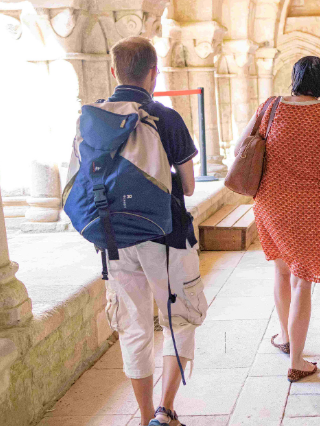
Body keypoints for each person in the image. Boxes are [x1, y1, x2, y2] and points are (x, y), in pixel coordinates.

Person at [102, 37, 205, 426]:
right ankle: (165, 410)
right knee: (178, 319)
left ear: (115, 71)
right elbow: (191, 186)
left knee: (133, 327)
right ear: (153, 72)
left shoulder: (95, 118)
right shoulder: (166, 117)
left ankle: (144, 417)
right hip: (166, 238)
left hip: (115, 240)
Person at [240, 56, 320, 382]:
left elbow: (238, 150)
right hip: (310, 207)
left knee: (282, 268)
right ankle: (298, 360)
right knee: (303, 279)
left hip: (271, 203)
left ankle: (286, 337)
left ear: (295, 77)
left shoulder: (269, 107)